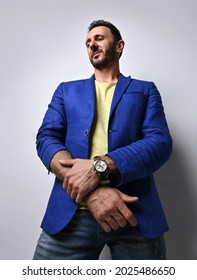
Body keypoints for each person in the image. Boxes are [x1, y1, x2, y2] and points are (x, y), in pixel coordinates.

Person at [33, 20, 172, 260]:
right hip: (71, 214)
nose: (92, 45)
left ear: (119, 46)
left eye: (98, 38)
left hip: (134, 213)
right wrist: (90, 192)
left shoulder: (145, 89)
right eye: (88, 42)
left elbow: (159, 143)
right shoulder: (66, 90)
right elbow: (47, 138)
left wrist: (100, 168)